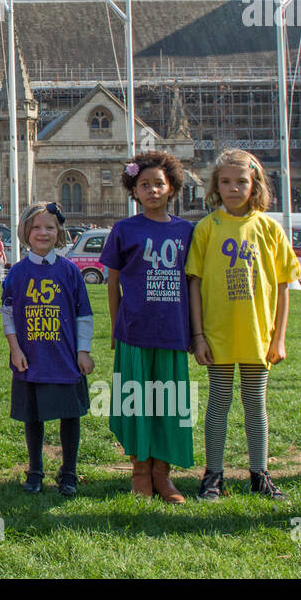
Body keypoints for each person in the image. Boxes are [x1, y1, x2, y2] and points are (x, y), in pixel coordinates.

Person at [187, 148, 301, 502]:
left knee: (255, 402)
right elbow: (194, 282)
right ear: (215, 186)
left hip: (257, 334)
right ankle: (213, 476)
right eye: (225, 182)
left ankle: (259, 474)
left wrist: (278, 338)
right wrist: (199, 335)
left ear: (255, 184)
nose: (233, 188)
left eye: (241, 182)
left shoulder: (269, 227)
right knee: (219, 402)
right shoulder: (207, 228)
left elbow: (283, 286)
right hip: (219, 334)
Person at [100, 151, 195, 503]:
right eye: (145, 184)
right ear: (133, 190)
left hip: (172, 332)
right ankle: (140, 473)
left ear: (171, 188)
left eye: (159, 183)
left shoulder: (186, 231)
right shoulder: (125, 229)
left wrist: (195, 332)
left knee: (169, 406)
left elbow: (194, 284)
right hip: (134, 331)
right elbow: (112, 283)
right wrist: (114, 326)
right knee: (137, 404)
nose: (153, 190)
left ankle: (163, 474)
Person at [2, 202, 93, 497]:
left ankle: (69, 472)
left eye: (50, 227)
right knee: (34, 417)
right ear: (26, 231)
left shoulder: (70, 272)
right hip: (32, 358)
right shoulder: (17, 273)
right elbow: (8, 314)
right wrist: (15, 349)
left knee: (70, 416)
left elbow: (84, 315)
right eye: (37, 227)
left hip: (64, 358)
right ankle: (36, 470)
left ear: (59, 232)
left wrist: (83, 351)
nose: (43, 233)